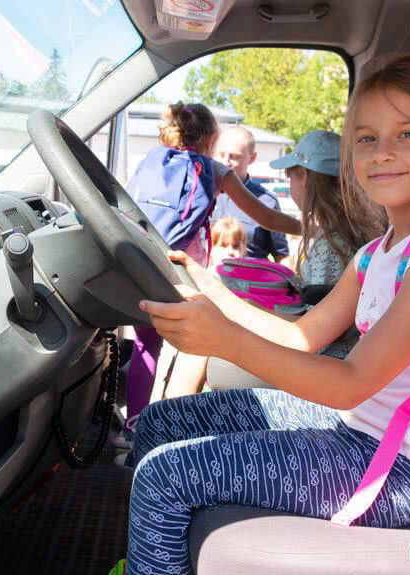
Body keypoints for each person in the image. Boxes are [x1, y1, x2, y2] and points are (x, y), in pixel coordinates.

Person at [113, 55, 410, 575]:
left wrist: (224, 340)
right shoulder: (378, 252)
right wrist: (213, 292)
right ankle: (152, 556)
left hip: (396, 469)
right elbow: (302, 338)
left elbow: (350, 384)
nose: (383, 152)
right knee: (164, 419)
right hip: (352, 429)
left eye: (407, 135)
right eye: (366, 138)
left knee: (164, 475)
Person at [121, 102, 301, 442]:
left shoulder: (152, 161)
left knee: (146, 347)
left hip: (143, 265)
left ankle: (133, 425)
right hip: (185, 274)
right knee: (196, 351)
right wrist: (308, 227)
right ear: (211, 139)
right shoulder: (216, 171)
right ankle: (182, 428)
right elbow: (266, 217)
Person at [162, 130, 374, 398]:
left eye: (290, 176)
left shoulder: (331, 245)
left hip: (321, 361)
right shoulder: (349, 232)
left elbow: (308, 333)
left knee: (198, 343)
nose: (290, 183)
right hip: (333, 354)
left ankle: (168, 416)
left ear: (304, 177)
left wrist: (230, 303)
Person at [211, 126, 290, 262]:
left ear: (252, 158)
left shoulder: (266, 202)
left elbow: (281, 256)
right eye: (221, 155)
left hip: (248, 273)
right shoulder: (200, 193)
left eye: (234, 157)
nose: (225, 162)